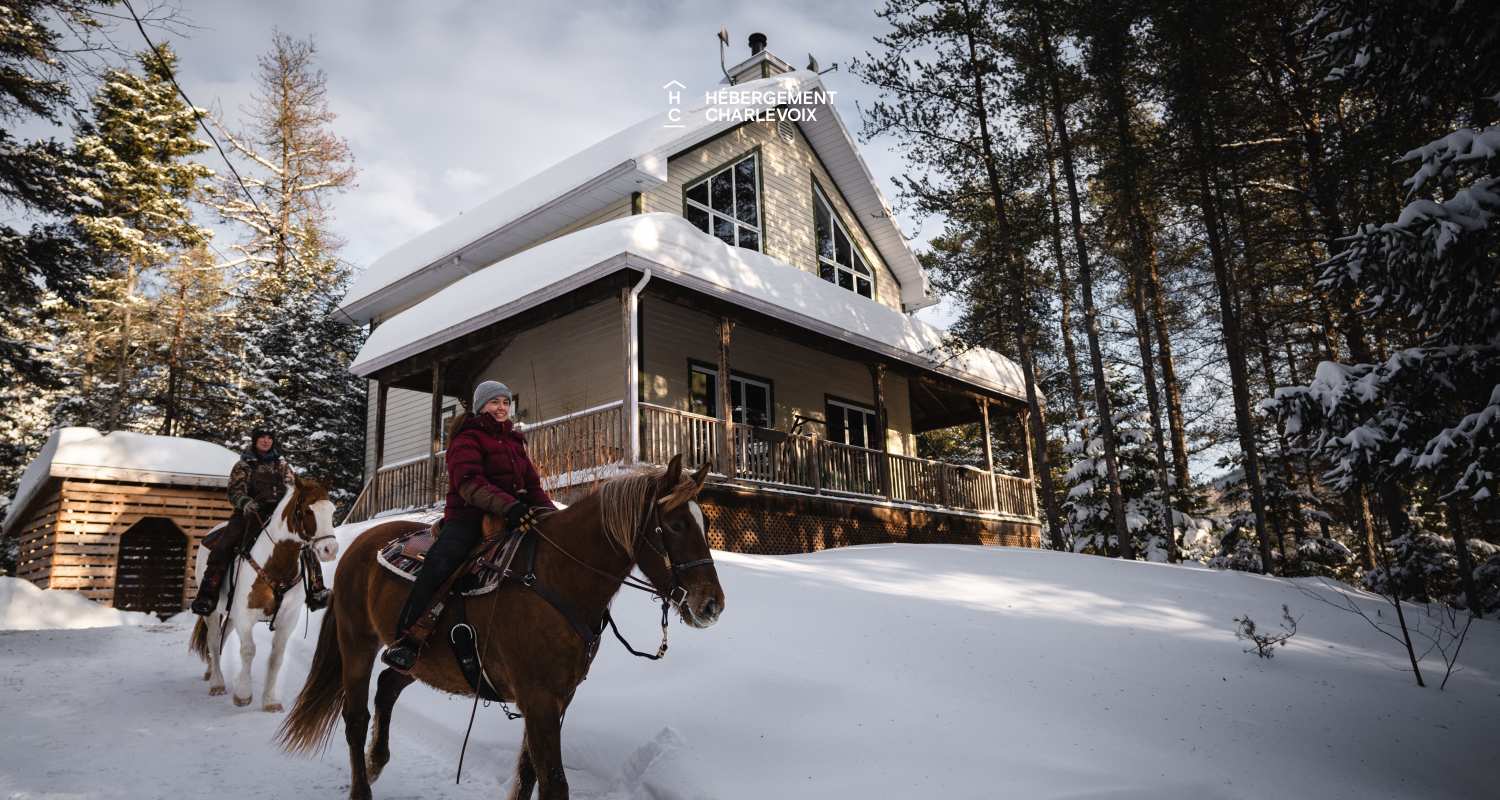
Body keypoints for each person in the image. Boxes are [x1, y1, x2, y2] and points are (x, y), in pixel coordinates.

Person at [381, 380, 556, 672]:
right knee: (442, 563)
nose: (501, 408)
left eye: (504, 402)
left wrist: (551, 516)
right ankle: (408, 638)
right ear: (480, 406)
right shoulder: (467, 438)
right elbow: (469, 484)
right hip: (468, 518)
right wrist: (509, 506)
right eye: (494, 402)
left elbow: (533, 486)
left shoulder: (515, 441)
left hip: (511, 517)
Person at [190, 428, 330, 615]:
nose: (266, 441)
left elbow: (294, 488)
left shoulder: (282, 465)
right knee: (223, 546)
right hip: (249, 514)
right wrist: (245, 501)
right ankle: (207, 595)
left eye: (269, 438)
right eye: (262, 438)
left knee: (306, 544)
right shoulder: (244, 465)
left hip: (278, 516)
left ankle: (316, 589)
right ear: (255, 441)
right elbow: (234, 491)